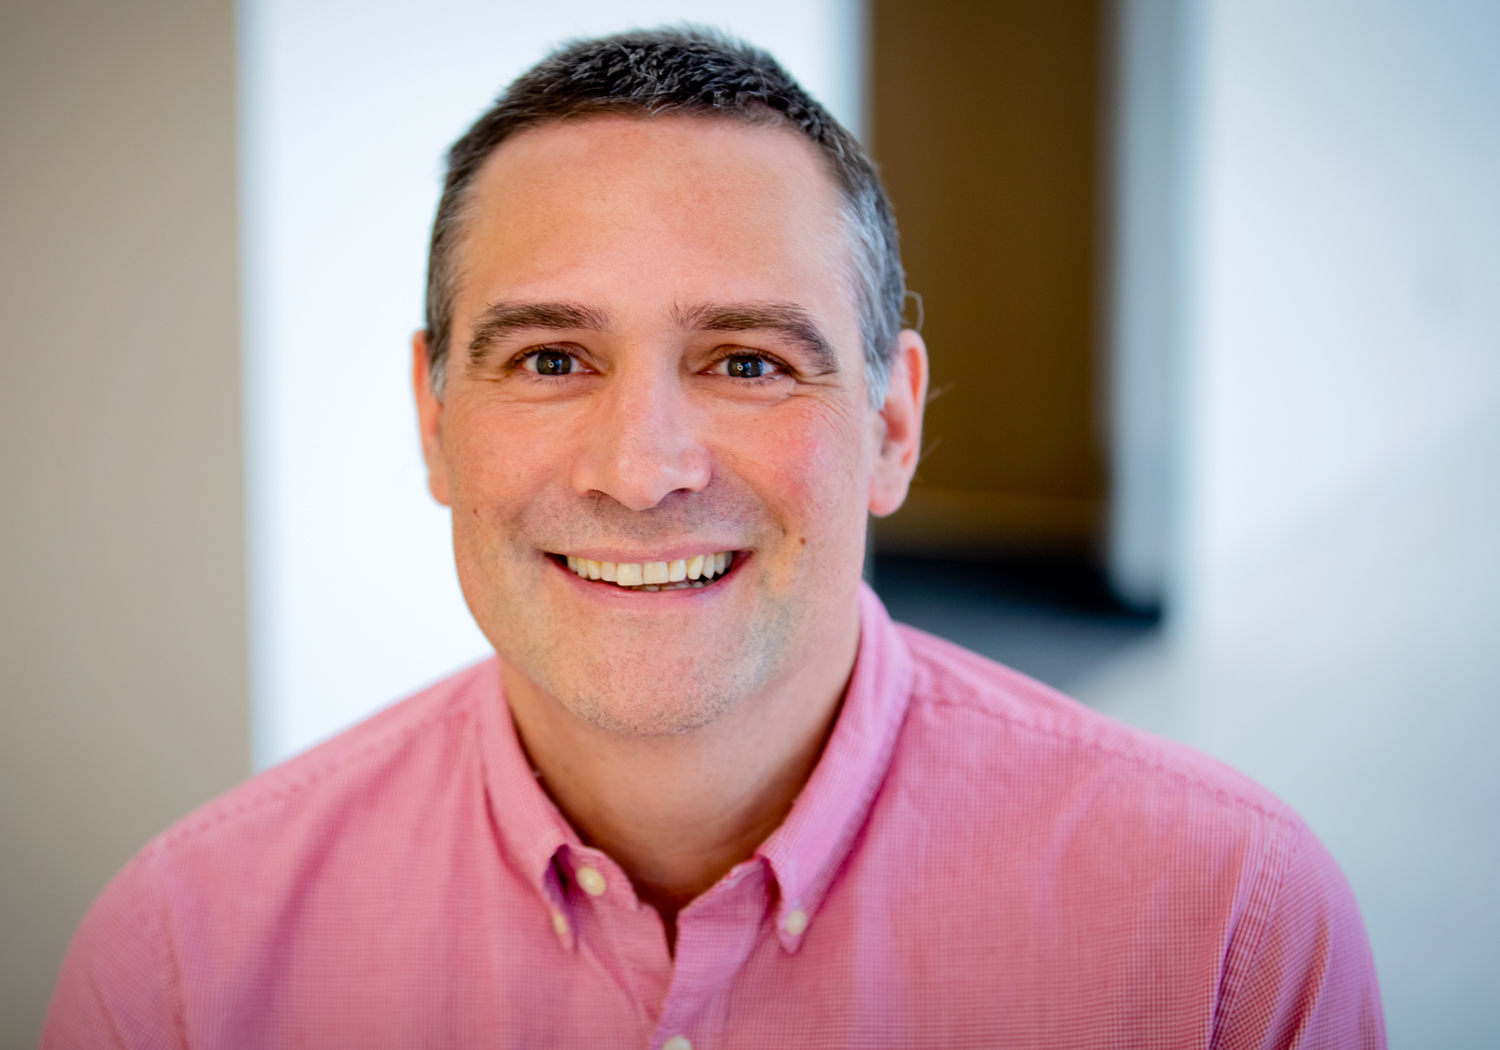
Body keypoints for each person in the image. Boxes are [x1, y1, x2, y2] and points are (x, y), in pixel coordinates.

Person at [44, 28, 1384, 1049]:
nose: (643, 472)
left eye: (747, 363)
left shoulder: (1229, 938)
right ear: (434, 419)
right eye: (553, 357)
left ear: (895, 425)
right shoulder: (182, 967)